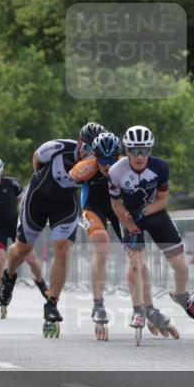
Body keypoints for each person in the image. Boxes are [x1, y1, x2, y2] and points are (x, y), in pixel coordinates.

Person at [0, 122, 106, 337]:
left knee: (63, 249)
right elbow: (36, 160)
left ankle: (52, 303)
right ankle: (8, 276)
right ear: (78, 143)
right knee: (22, 250)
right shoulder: (57, 148)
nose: (89, 154)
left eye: (94, 151)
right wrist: (41, 180)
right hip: (38, 199)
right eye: (86, 147)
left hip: (65, 205)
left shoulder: (99, 166)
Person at [109, 125, 194, 336]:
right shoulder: (116, 171)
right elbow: (116, 205)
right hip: (130, 219)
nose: (139, 156)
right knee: (137, 264)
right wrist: (130, 225)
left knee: (181, 267)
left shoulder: (160, 167)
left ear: (151, 151)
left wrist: (144, 211)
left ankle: (181, 296)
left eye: (145, 150)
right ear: (126, 151)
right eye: (134, 151)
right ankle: (140, 309)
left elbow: (163, 200)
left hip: (154, 214)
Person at [0, 156, 48, 314]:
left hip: (16, 226)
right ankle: (3, 294)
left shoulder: (12, 184)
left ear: (1, 173)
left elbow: (19, 201)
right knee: (0, 261)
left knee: (32, 260)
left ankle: (41, 283)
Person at [69, 131, 124, 340]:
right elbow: (72, 176)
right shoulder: (90, 166)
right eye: (102, 160)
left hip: (118, 208)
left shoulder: (124, 166)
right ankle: (98, 303)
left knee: (136, 249)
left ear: (118, 157)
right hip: (94, 207)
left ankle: (145, 306)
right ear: (96, 157)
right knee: (102, 246)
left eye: (112, 160)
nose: (107, 165)